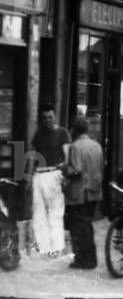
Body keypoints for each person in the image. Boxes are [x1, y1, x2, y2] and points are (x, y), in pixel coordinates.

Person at [29, 106, 71, 258]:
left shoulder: (62, 133)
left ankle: (57, 247)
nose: (47, 120)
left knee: (55, 212)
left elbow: (67, 154)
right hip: (38, 175)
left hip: (53, 173)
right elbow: (33, 154)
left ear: (55, 117)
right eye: (44, 117)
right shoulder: (39, 134)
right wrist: (29, 175)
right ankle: (44, 247)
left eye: (50, 117)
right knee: (39, 212)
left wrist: (64, 169)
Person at [64, 117, 103, 269]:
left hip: (79, 193)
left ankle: (83, 260)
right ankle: (90, 259)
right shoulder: (97, 146)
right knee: (87, 224)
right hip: (94, 191)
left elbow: (76, 170)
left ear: (74, 130)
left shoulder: (74, 146)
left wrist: (64, 168)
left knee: (78, 227)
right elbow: (100, 169)